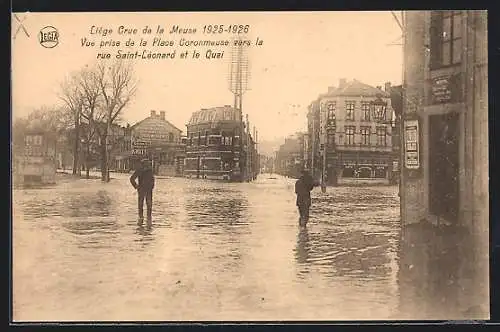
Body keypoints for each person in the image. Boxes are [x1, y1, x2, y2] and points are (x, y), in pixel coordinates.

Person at [130, 158, 155, 226]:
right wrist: (136, 186)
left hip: (148, 190)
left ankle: (147, 218)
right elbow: (132, 179)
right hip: (142, 190)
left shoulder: (150, 171)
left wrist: (152, 186)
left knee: (148, 204)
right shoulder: (140, 170)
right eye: (146, 163)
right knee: (142, 204)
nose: (147, 165)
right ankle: (142, 218)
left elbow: (152, 179)